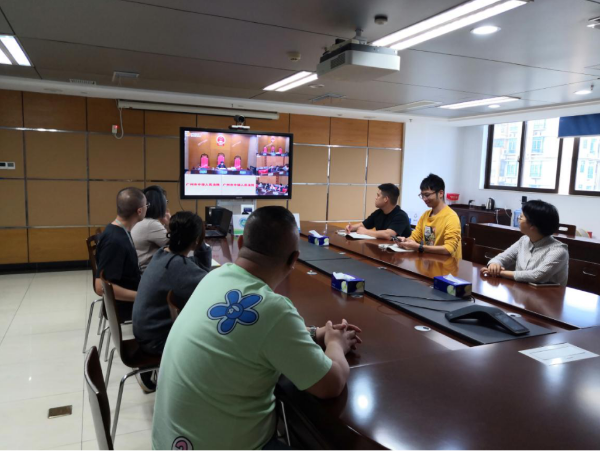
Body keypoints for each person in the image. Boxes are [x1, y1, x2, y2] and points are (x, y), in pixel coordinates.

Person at [152, 206, 362, 450]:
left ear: (241, 242)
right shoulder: (273, 309)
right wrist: (336, 343)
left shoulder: (214, 277)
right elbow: (331, 384)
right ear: (294, 259)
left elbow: (253, 334)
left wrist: (316, 333)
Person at [133, 211, 212, 356]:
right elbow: (210, 286)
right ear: (196, 240)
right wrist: (201, 240)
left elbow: (200, 267)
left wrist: (197, 238)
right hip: (157, 342)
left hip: (144, 333)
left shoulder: (162, 253)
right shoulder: (180, 268)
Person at [481, 200, 569, 286]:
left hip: (548, 295)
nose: (518, 219)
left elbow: (537, 276)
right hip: (521, 292)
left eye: (521, 217)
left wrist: (500, 272)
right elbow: (503, 257)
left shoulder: (559, 251)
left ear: (532, 225)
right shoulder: (524, 240)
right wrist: (494, 264)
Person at [95, 187, 147, 321]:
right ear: (139, 211)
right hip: (124, 307)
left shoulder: (121, 231)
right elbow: (100, 287)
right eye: (146, 205)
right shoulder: (114, 241)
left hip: (130, 297)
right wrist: (142, 296)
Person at [397, 174, 462, 258]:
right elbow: (415, 237)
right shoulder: (425, 215)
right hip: (429, 261)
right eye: (422, 195)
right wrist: (405, 241)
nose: (424, 199)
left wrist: (420, 247)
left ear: (440, 193)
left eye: (427, 195)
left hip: (447, 264)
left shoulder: (451, 217)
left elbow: (449, 249)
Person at [345, 183, 411, 240]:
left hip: (399, 250)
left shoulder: (401, 216)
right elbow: (363, 225)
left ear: (386, 199)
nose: (376, 198)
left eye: (378, 195)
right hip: (382, 247)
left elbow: (388, 235)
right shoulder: (378, 213)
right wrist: (351, 227)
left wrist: (366, 232)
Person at [131, 185, 171, 272]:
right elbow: (176, 246)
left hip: (138, 270)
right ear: (160, 205)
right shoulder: (151, 224)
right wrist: (170, 223)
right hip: (145, 273)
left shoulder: (140, 221)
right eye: (165, 202)